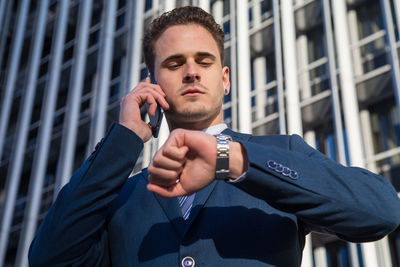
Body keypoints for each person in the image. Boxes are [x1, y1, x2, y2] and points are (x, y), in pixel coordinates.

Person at [29, 6, 400, 267]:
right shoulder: (121, 196)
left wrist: (231, 159)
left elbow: (381, 212)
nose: (191, 72)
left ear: (224, 80)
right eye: (174, 64)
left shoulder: (278, 152)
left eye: (203, 61)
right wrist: (123, 138)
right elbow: (48, 257)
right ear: (152, 84)